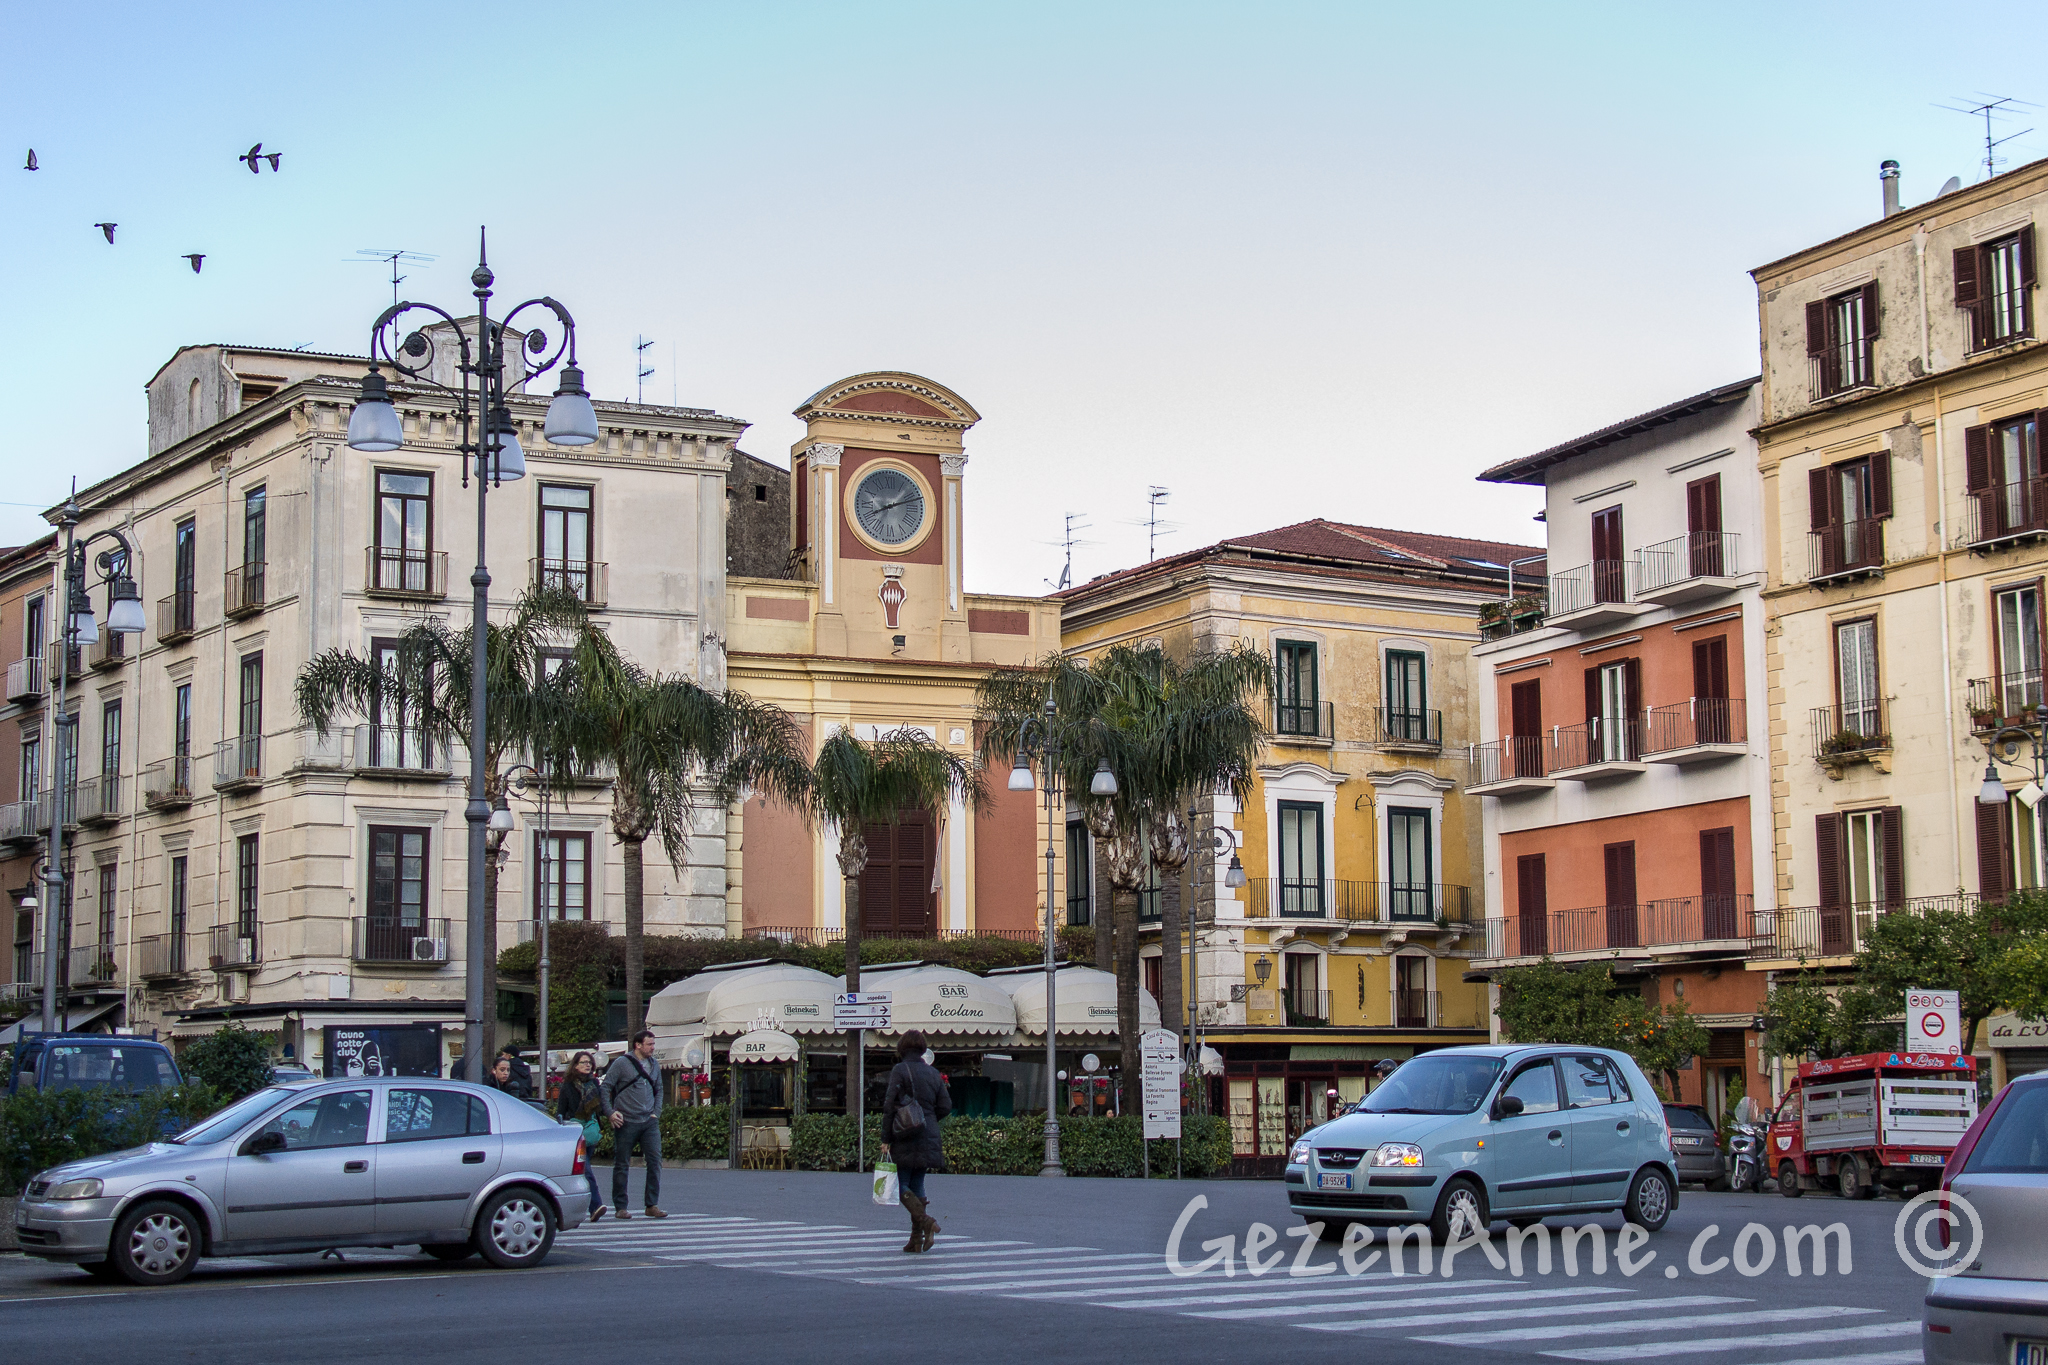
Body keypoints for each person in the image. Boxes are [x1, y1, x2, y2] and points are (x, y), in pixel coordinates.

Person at [881, 1030, 951, 1254]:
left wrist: (885, 1138)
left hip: (905, 1134)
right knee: (918, 1182)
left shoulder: (900, 1070)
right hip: (928, 1134)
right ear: (922, 1049)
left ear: (901, 1048)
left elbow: (889, 1106)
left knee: (901, 1185)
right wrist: (928, 1119)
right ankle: (916, 1239)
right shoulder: (933, 1073)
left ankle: (926, 1222)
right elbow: (946, 1106)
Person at [603, 1031, 667, 1220]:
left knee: (655, 1161)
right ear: (638, 1045)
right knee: (622, 1163)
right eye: (649, 1044)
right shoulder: (622, 1063)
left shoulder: (654, 1064)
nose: (653, 1048)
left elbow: (659, 1089)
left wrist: (657, 1112)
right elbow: (606, 1087)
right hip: (626, 1120)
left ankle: (651, 1204)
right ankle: (621, 1206)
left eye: (653, 1044)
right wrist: (610, 1112)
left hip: (649, 1121)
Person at [556, 1050, 609, 1222]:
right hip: (576, 1132)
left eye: (589, 1062)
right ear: (575, 1066)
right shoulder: (568, 1086)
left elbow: (601, 1106)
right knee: (586, 1170)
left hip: (591, 1130)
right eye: (583, 1062)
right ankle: (595, 1205)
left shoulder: (594, 1084)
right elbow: (561, 1112)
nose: (587, 1065)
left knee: (582, 1172)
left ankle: (580, 1205)